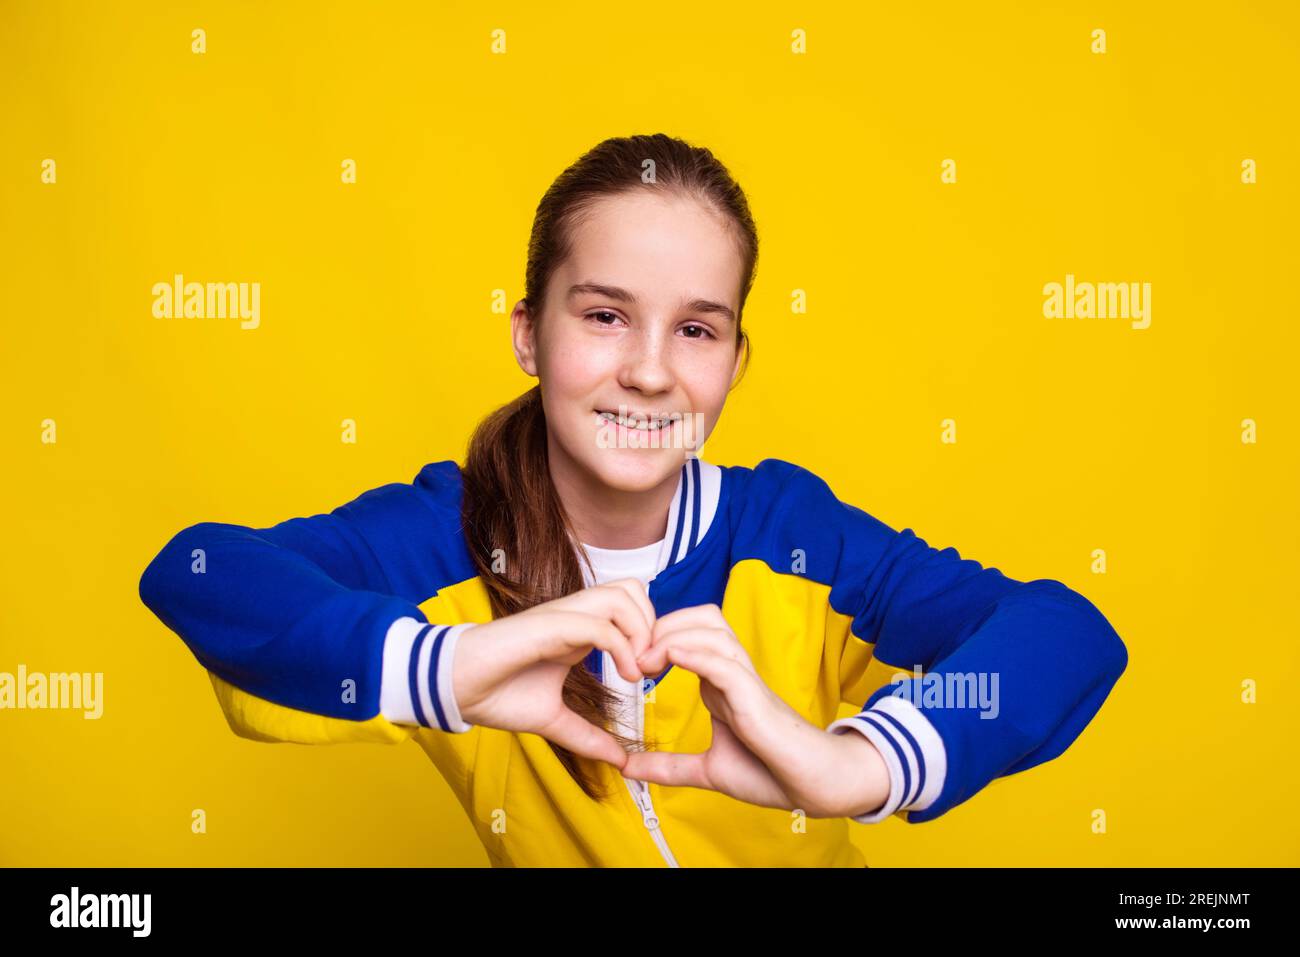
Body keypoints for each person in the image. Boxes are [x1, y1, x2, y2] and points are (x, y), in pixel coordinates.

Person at [138, 133, 1128, 867]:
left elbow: (1062, 632)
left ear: (735, 362)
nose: (649, 373)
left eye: (696, 331)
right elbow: (198, 570)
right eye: (606, 316)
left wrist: (861, 765)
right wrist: (454, 664)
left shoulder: (791, 537)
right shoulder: (444, 540)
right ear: (529, 334)